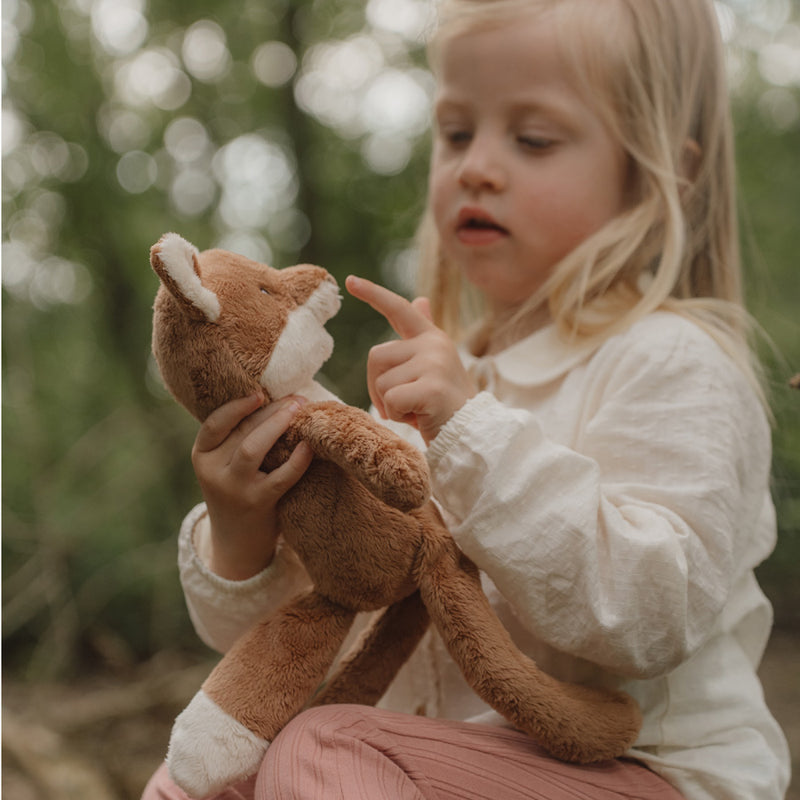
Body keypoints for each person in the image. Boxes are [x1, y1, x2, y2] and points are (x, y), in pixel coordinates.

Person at [143, 0, 791, 798]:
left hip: (650, 770)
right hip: (449, 765)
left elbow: (653, 615)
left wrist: (469, 433)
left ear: (664, 172)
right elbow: (330, 619)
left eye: (534, 139)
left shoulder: (675, 362)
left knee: (326, 747)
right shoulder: (435, 374)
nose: (476, 166)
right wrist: (244, 537)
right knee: (194, 781)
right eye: (455, 133)